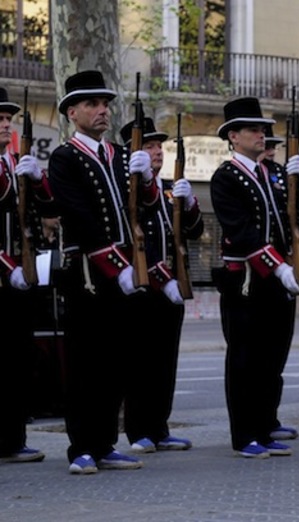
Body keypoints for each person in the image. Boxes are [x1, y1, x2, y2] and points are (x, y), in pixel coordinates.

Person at [48, 70, 160, 474]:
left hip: (125, 273)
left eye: (105, 104)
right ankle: (81, 447)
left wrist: (147, 178)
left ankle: (105, 443)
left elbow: (145, 207)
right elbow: (78, 216)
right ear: (72, 112)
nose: (102, 111)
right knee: (84, 363)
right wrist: (117, 266)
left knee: (116, 361)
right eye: (92, 104)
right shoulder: (64, 157)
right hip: (88, 276)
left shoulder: (119, 155)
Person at [210, 97, 299, 458]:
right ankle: (245, 435)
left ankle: (264, 426)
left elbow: (296, 220)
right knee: (245, 360)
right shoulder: (226, 176)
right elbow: (241, 232)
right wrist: (278, 265)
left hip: (273, 280)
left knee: (271, 359)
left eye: (264, 129)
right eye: (254, 129)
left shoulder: (270, 174)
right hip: (247, 282)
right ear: (233, 136)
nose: (262, 135)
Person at [118, 117, 204, 453]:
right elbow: (132, 237)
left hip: (172, 287)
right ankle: (138, 430)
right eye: (149, 146)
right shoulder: (127, 186)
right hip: (143, 287)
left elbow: (193, 233)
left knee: (165, 362)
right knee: (139, 362)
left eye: (160, 147)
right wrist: (160, 276)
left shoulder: (170, 187)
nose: (157, 152)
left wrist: (191, 204)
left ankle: (160, 427)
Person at [0, 86, 51, 464]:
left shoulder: (15, 162)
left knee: (18, 361)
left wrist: (36, 180)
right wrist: (8, 268)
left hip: (20, 277)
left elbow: (44, 212)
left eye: (7, 119)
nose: (5, 124)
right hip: (4, 275)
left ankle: (12, 439)